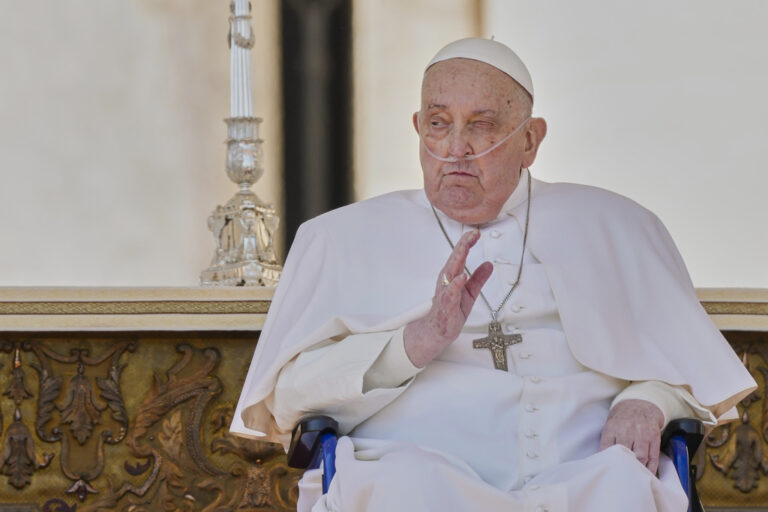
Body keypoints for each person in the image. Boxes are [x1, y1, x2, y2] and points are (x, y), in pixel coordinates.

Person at [230, 38, 756, 512]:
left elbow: (692, 370)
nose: (456, 149)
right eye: (439, 124)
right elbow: (286, 400)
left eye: (481, 125)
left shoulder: (618, 225)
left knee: (624, 488)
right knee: (401, 488)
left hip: (587, 476)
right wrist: (412, 343)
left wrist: (648, 400)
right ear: (418, 128)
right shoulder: (339, 238)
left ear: (530, 140)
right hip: (415, 473)